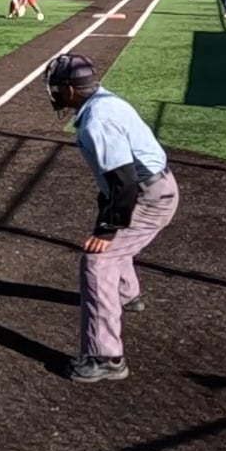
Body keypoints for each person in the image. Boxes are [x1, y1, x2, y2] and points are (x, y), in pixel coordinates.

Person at [45, 53, 178, 384]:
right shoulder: (104, 101)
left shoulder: (97, 121)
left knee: (98, 258)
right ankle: (126, 293)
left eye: (57, 87)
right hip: (153, 188)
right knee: (114, 242)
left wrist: (106, 229)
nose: (54, 93)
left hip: (148, 195)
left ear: (70, 90)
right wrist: (108, 223)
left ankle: (106, 357)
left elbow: (124, 182)